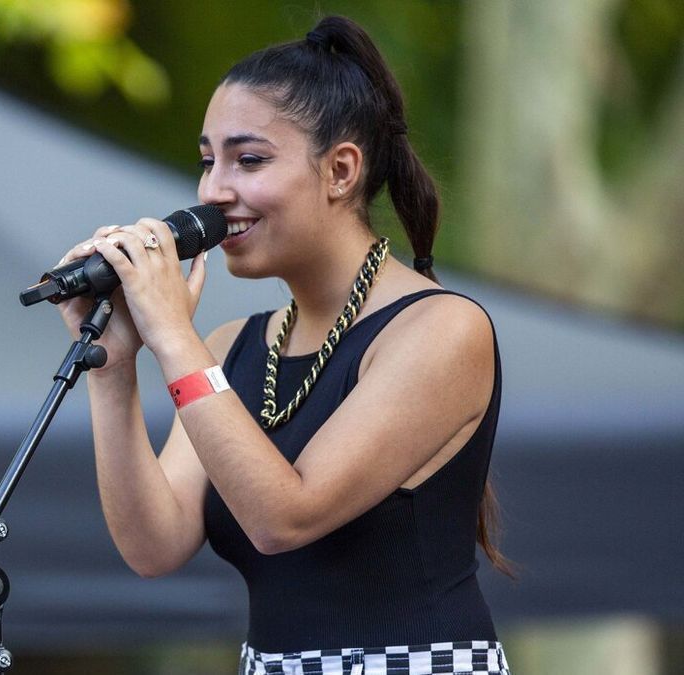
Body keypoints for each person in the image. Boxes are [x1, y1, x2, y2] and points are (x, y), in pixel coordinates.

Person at [54, 14, 513, 675]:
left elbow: (284, 518)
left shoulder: (441, 328)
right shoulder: (231, 345)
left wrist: (174, 338)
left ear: (340, 171)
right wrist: (115, 365)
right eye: (207, 161)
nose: (214, 191)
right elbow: (153, 545)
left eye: (249, 159)